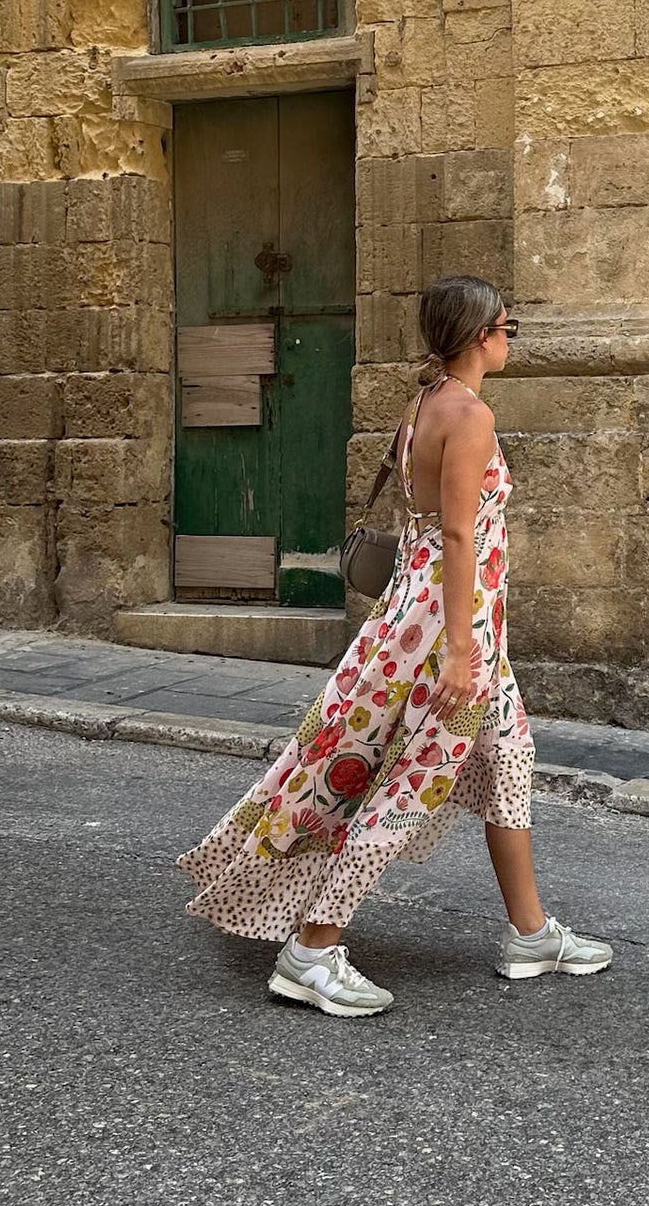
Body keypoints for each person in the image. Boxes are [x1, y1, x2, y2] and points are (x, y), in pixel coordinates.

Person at [177, 274, 612, 1015]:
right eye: (508, 327)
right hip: (448, 629)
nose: (511, 339)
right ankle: (311, 951)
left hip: (425, 617)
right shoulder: (468, 413)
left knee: (509, 758)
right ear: (480, 335)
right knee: (406, 784)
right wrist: (459, 651)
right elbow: (457, 533)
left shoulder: (422, 403)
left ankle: (531, 933)